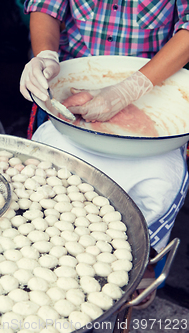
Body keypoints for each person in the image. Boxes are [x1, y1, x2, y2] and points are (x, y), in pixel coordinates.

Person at [19, 0, 189, 306]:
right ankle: (54, 254)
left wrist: (128, 89)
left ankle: (142, 258)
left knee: (160, 179)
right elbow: (46, 6)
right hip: (75, 88)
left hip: (153, 90)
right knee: (48, 178)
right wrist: (45, 55)